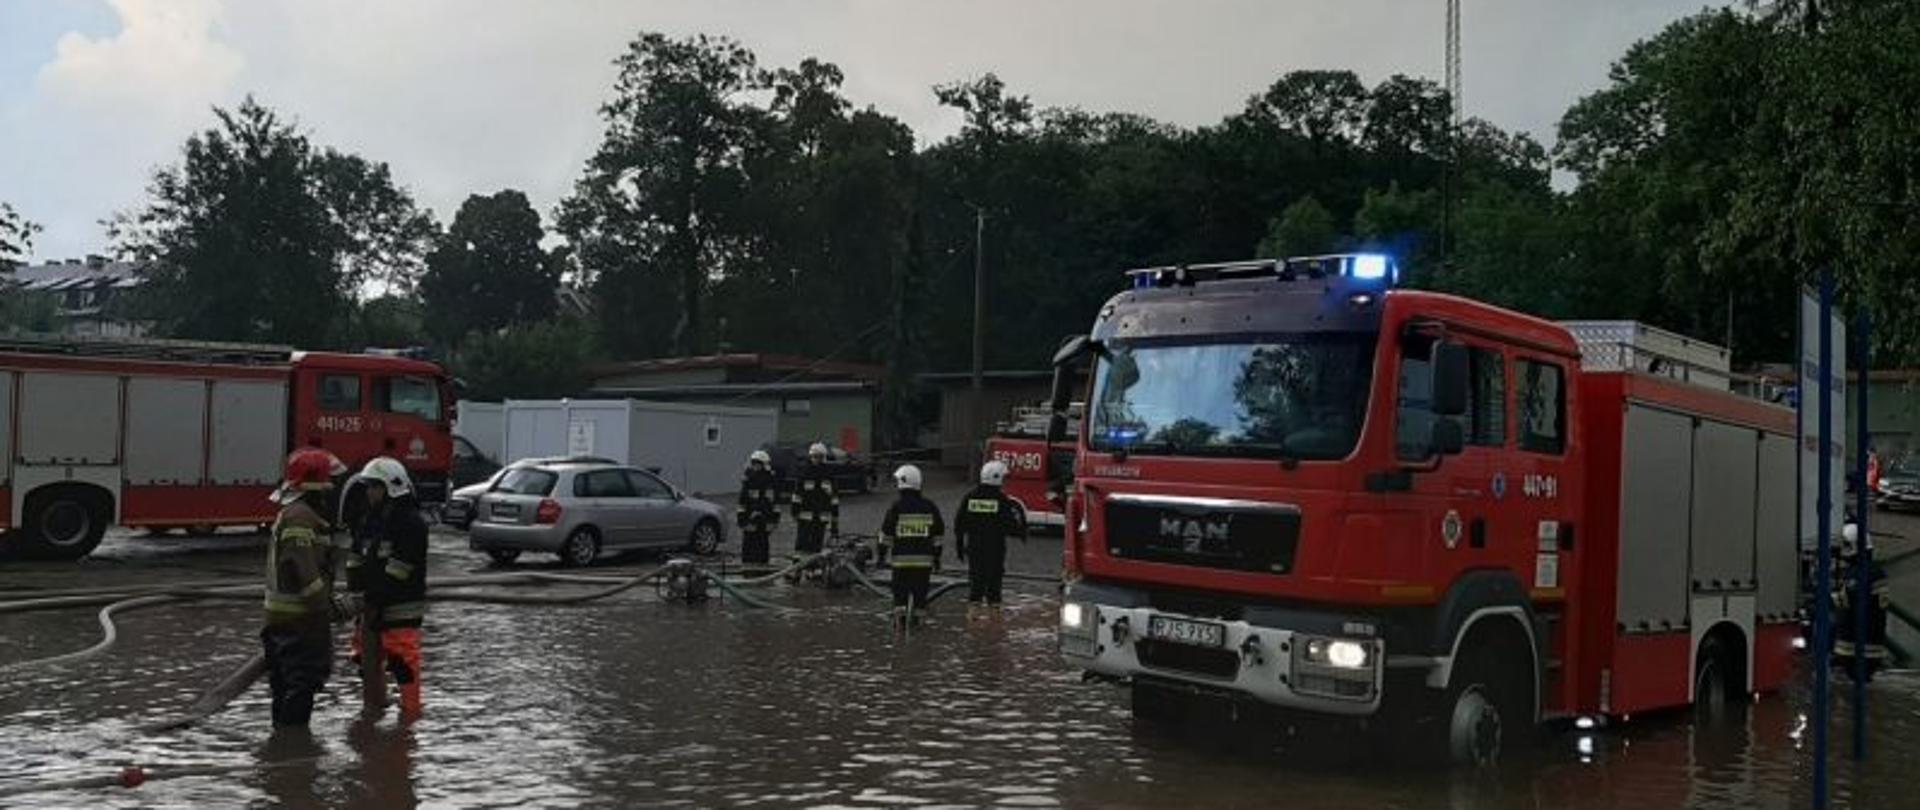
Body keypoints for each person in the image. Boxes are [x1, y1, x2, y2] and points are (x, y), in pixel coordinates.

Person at [261, 447, 347, 730]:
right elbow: (307, 575)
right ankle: (292, 752)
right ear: (315, 485)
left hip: (283, 621)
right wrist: (327, 608)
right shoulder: (300, 517)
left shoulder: (295, 513)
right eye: (327, 483)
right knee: (301, 685)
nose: (331, 490)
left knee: (284, 687)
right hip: (301, 623)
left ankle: (281, 749)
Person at [346, 457, 430, 721]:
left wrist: (369, 599)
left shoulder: (410, 523)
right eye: (368, 486)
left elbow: (399, 570)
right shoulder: (369, 520)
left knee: (402, 663)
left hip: (400, 607)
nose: (370, 492)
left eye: (375, 486)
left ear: (392, 488)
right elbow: (355, 558)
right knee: (363, 657)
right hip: (370, 605)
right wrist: (356, 593)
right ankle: (375, 707)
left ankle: (410, 717)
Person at [954, 460, 1027, 610]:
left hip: (974, 550)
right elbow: (1011, 526)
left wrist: (959, 547)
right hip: (995, 551)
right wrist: (1022, 533)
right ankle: (994, 626)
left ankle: (973, 622)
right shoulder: (1001, 500)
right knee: (994, 591)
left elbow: (959, 524)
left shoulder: (970, 497)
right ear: (997, 477)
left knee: (975, 587)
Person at [880, 464, 944, 625]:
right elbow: (938, 536)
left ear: (902, 483)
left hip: (901, 563)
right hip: (923, 564)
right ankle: (919, 629)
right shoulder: (929, 507)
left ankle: (900, 630)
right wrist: (937, 559)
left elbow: (886, 534)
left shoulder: (896, 507)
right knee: (920, 598)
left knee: (899, 599)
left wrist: (881, 557)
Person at [791, 442, 839, 555]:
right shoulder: (804, 473)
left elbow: (834, 498)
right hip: (805, 517)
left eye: (819, 456)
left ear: (824, 457)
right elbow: (797, 495)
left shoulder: (828, 475)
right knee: (802, 545)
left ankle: (815, 568)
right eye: (814, 456)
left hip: (821, 517)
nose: (817, 459)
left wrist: (835, 517)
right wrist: (795, 511)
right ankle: (800, 568)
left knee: (817, 546)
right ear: (810, 456)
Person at [737, 450, 780, 565]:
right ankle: (748, 573)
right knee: (748, 550)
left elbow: (775, 504)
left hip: (764, 522)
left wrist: (774, 521)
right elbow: (742, 503)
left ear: (764, 465)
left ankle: (762, 573)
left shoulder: (771, 482)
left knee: (762, 549)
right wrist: (742, 520)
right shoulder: (748, 480)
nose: (756, 466)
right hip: (749, 522)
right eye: (754, 464)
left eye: (758, 464)